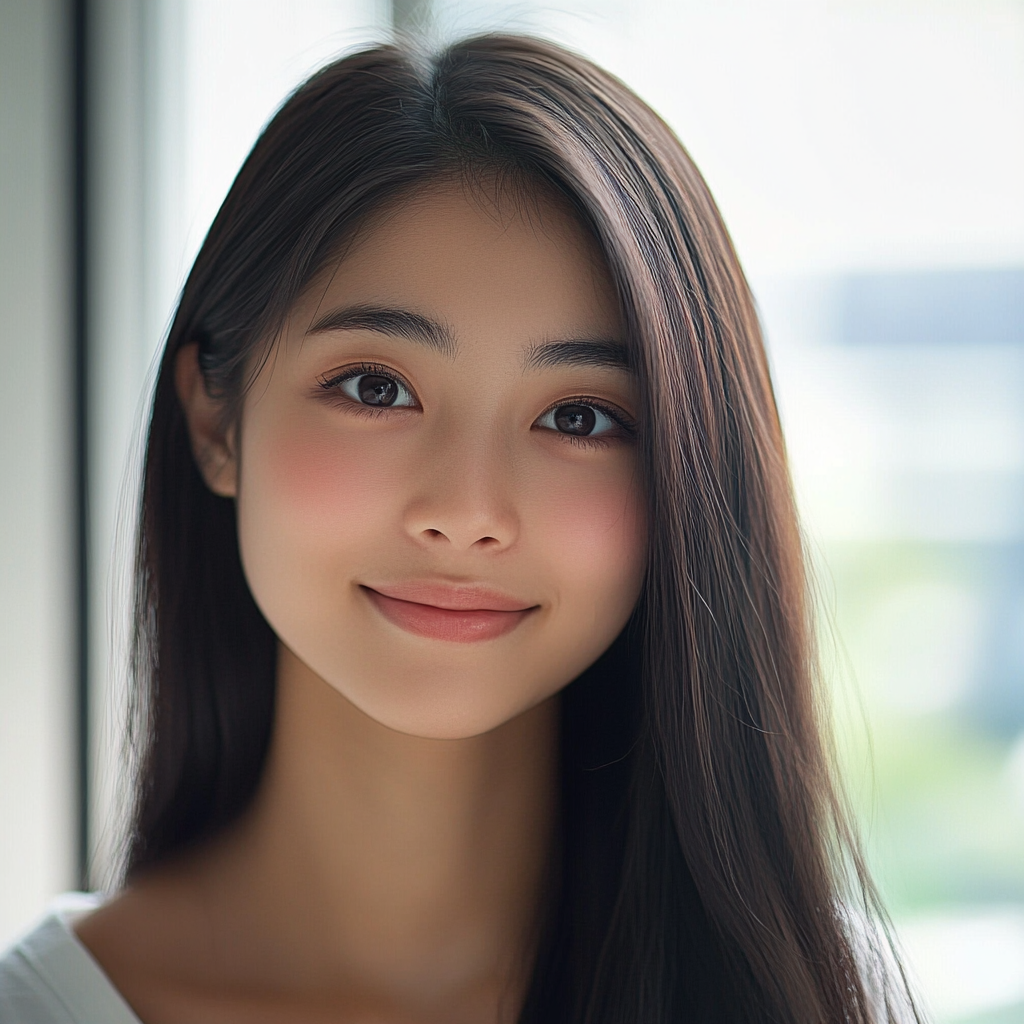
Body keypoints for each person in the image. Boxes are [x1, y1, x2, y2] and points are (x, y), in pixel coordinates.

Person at [0, 33, 920, 1023]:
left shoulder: (823, 995)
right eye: (376, 388)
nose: (467, 512)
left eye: (578, 417)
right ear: (216, 421)